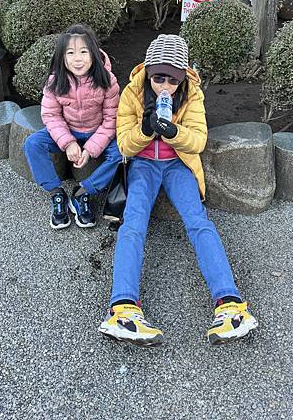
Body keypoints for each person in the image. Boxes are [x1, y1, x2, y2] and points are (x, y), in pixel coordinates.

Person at [99, 34, 258, 347]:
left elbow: (197, 141)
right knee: (132, 225)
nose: (165, 87)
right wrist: (145, 129)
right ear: (148, 71)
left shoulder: (191, 95)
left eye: (173, 80)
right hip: (143, 165)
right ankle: (122, 309)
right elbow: (123, 144)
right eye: (158, 78)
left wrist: (173, 131)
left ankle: (230, 305)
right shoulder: (132, 92)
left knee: (199, 223)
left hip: (177, 165)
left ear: (183, 78)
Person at [23, 24, 122, 229]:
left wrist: (91, 149)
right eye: (70, 53)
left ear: (94, 53)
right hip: (68, 129)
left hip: (98, 131)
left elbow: (112, 119)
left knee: (122, 154)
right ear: (62, 57)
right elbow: (51, 115)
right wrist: (68, 143)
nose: (78, 58)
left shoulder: (107, 80)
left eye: (84, 52)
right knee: (33, 144)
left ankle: (83, 192)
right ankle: (56, 192)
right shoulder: (55, 81)